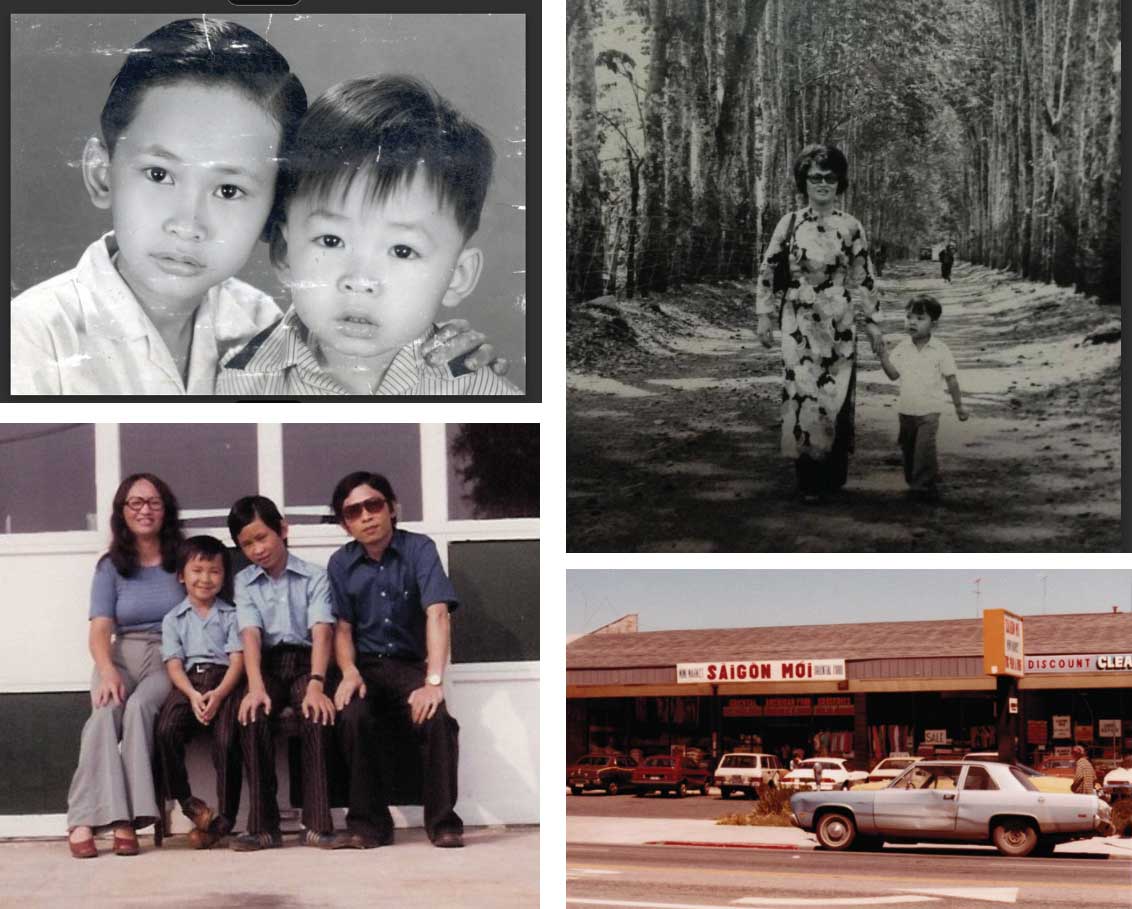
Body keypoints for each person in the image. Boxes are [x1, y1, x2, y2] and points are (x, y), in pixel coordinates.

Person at [9, 18, 502, 395]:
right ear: (101, 174)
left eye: (229, 190)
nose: (188, 223)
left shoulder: (259, 318)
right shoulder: (30, 338)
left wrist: (445, 350)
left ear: (272, 212)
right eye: (159, 175)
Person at [215, 75, 520, 396]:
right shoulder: (226, 385)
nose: (360, 280)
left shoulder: (485, 396)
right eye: (332, 241)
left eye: (402, 250)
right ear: (282, 252)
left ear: (457, 276)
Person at [327, 472, 465, 848]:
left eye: (374, 505)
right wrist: (349, 671)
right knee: (352, 716)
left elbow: (438, 613)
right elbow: (342, 626)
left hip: (409, 667)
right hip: (366, 667)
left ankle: (443, 823)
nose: (366, 516)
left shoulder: (420, 549)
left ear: (392, 509)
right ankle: (369, 827)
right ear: (345, 524)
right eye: (354, 512)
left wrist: (432, 682)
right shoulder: (340, 564)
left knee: (437, 719)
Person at [66, 473, 185, 858]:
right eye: (135, 503)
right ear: (122, 512)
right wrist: (108, 670)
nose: (144, 510)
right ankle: (86, 818)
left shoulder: (181, 559)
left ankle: (129, 820)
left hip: (169, 657)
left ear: (165, 510)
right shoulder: (110, 567)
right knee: (104, 714)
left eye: (152, 502)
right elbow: (100, 629)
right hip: (121, 655)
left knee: (138, 709)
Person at [755, 143, 883, 502]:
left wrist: (873, 322)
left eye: (830, 178)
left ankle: (832, 472)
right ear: (804, 182)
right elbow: (767, 269)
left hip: (839, 322)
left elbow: (864, 276)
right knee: (801, 391)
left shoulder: (851, 226)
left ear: (840, 182)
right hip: (798, 320)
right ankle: (807, 476)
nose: (823, 184)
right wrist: (765, 315)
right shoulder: (790, 222)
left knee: (834, 393)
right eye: (815, 178)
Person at [226, 495, 339, 851]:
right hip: (267, 664)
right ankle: (263, 826)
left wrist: (318, 684)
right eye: (247, 544)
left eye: (262, 538)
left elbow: (322, 631)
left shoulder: (314, 576)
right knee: (251, 713)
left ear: (283, 530)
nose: (257, 549)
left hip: (308, 662)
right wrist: (255, 686)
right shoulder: (244, 582)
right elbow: (250, 634)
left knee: (316, 713)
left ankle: (318, 825)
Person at [155, 536, 244, 849]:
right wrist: (193, 695)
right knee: (165, 729)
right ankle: (188, 802)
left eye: (214, 571)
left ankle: (226, 818)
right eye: (197, 570)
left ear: (224, 577)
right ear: (182, 575)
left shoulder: (232, 615)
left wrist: (218, 695)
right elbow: (174, 665)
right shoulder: (173, 619)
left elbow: (238, 661)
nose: (205, 579)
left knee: (226, 740)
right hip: (190, 682)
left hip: (226, 683)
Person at [877, 295, 969, 501]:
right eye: (909, 317)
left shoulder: (941, 350)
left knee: (924, 449)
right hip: (906, 410)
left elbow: (951, 379)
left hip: (929, 411)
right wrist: (883, 356)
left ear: (933, 324)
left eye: (920, 318)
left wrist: (959, 407)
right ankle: (920, 480)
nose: (912, 322)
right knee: (909, 451)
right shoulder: (902, 347)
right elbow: (893, 375)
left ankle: (923, 487)